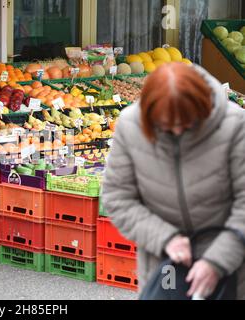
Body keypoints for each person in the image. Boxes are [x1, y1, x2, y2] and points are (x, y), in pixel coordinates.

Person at [102, 62, 245, 299]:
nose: (178, 131)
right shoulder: (131, 126)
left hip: (231, 269)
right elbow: (117, 197)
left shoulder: (235, 126)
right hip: (165, 268)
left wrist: (217, 261)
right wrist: (164, 237)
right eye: (167, 126)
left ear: (203, 107)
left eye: (187, 123)